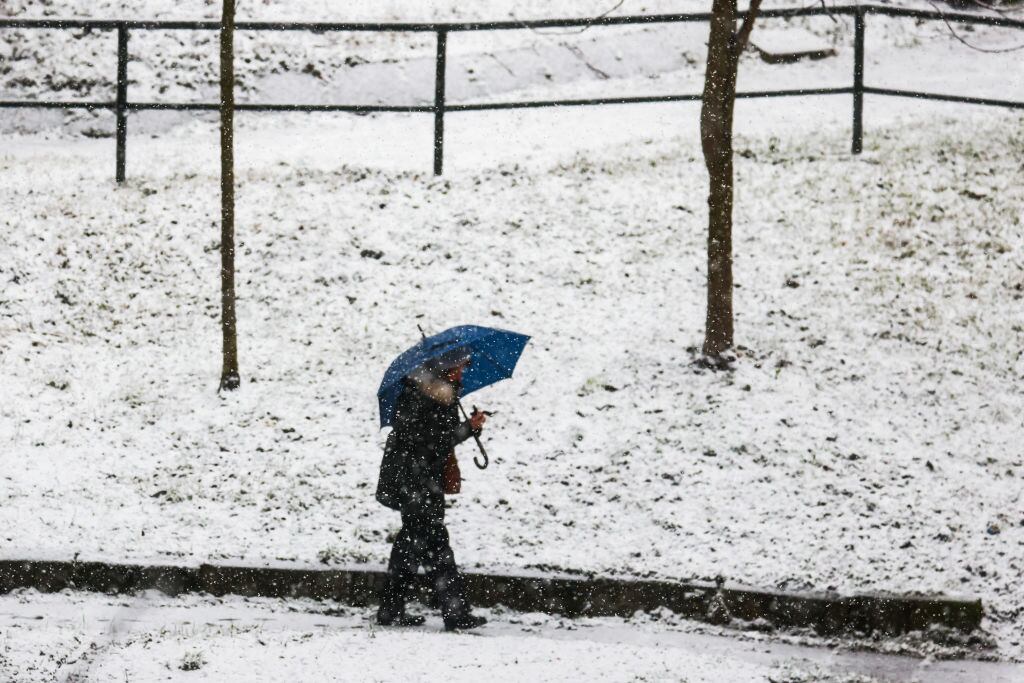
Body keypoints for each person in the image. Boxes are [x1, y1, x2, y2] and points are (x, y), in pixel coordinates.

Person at [375, 352, 488, 630]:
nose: (463, 372)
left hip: (418, 483)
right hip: (416, 484)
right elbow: (432, 443)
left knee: (409, 547)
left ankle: (391, 610)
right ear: (446, 370)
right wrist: (466, 429)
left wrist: (467, 427)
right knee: (436, 544)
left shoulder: (436, 396)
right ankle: (455, 611)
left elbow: (436, 438)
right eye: (461, 367)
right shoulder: (423, 398)